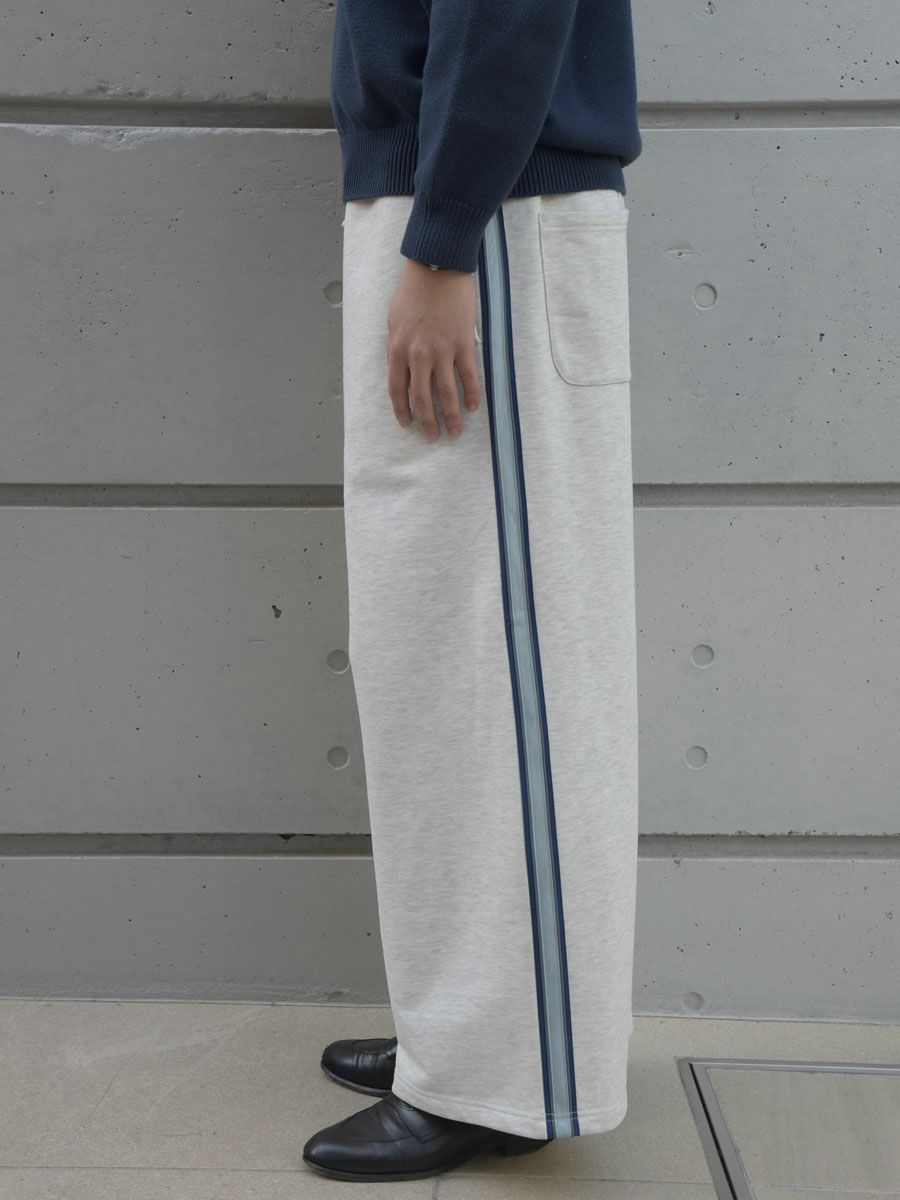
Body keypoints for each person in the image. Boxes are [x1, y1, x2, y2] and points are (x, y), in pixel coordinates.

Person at [302, 0, 643, 1183]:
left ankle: (509, 1077)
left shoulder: (464, 227)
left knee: (506, 679)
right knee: (441, 673)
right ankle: (468, 1037)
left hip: (487, 219)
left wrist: (446, 235)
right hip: (458, 208)